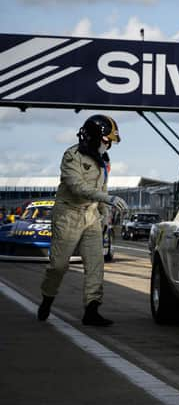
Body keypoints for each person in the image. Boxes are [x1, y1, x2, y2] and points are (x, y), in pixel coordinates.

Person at [37, 115, 128, 327]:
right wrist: (109, 199)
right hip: (69, 215)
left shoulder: (104, 161)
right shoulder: (71, 156)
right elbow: (77, 187)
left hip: (92, 216)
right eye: (107, 140)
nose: (109, 145)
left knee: (96, 265)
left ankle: (92, 309)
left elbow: (101, 189)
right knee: (58, 266)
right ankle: (47, 298)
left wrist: (105, 215)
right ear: (96, 137)